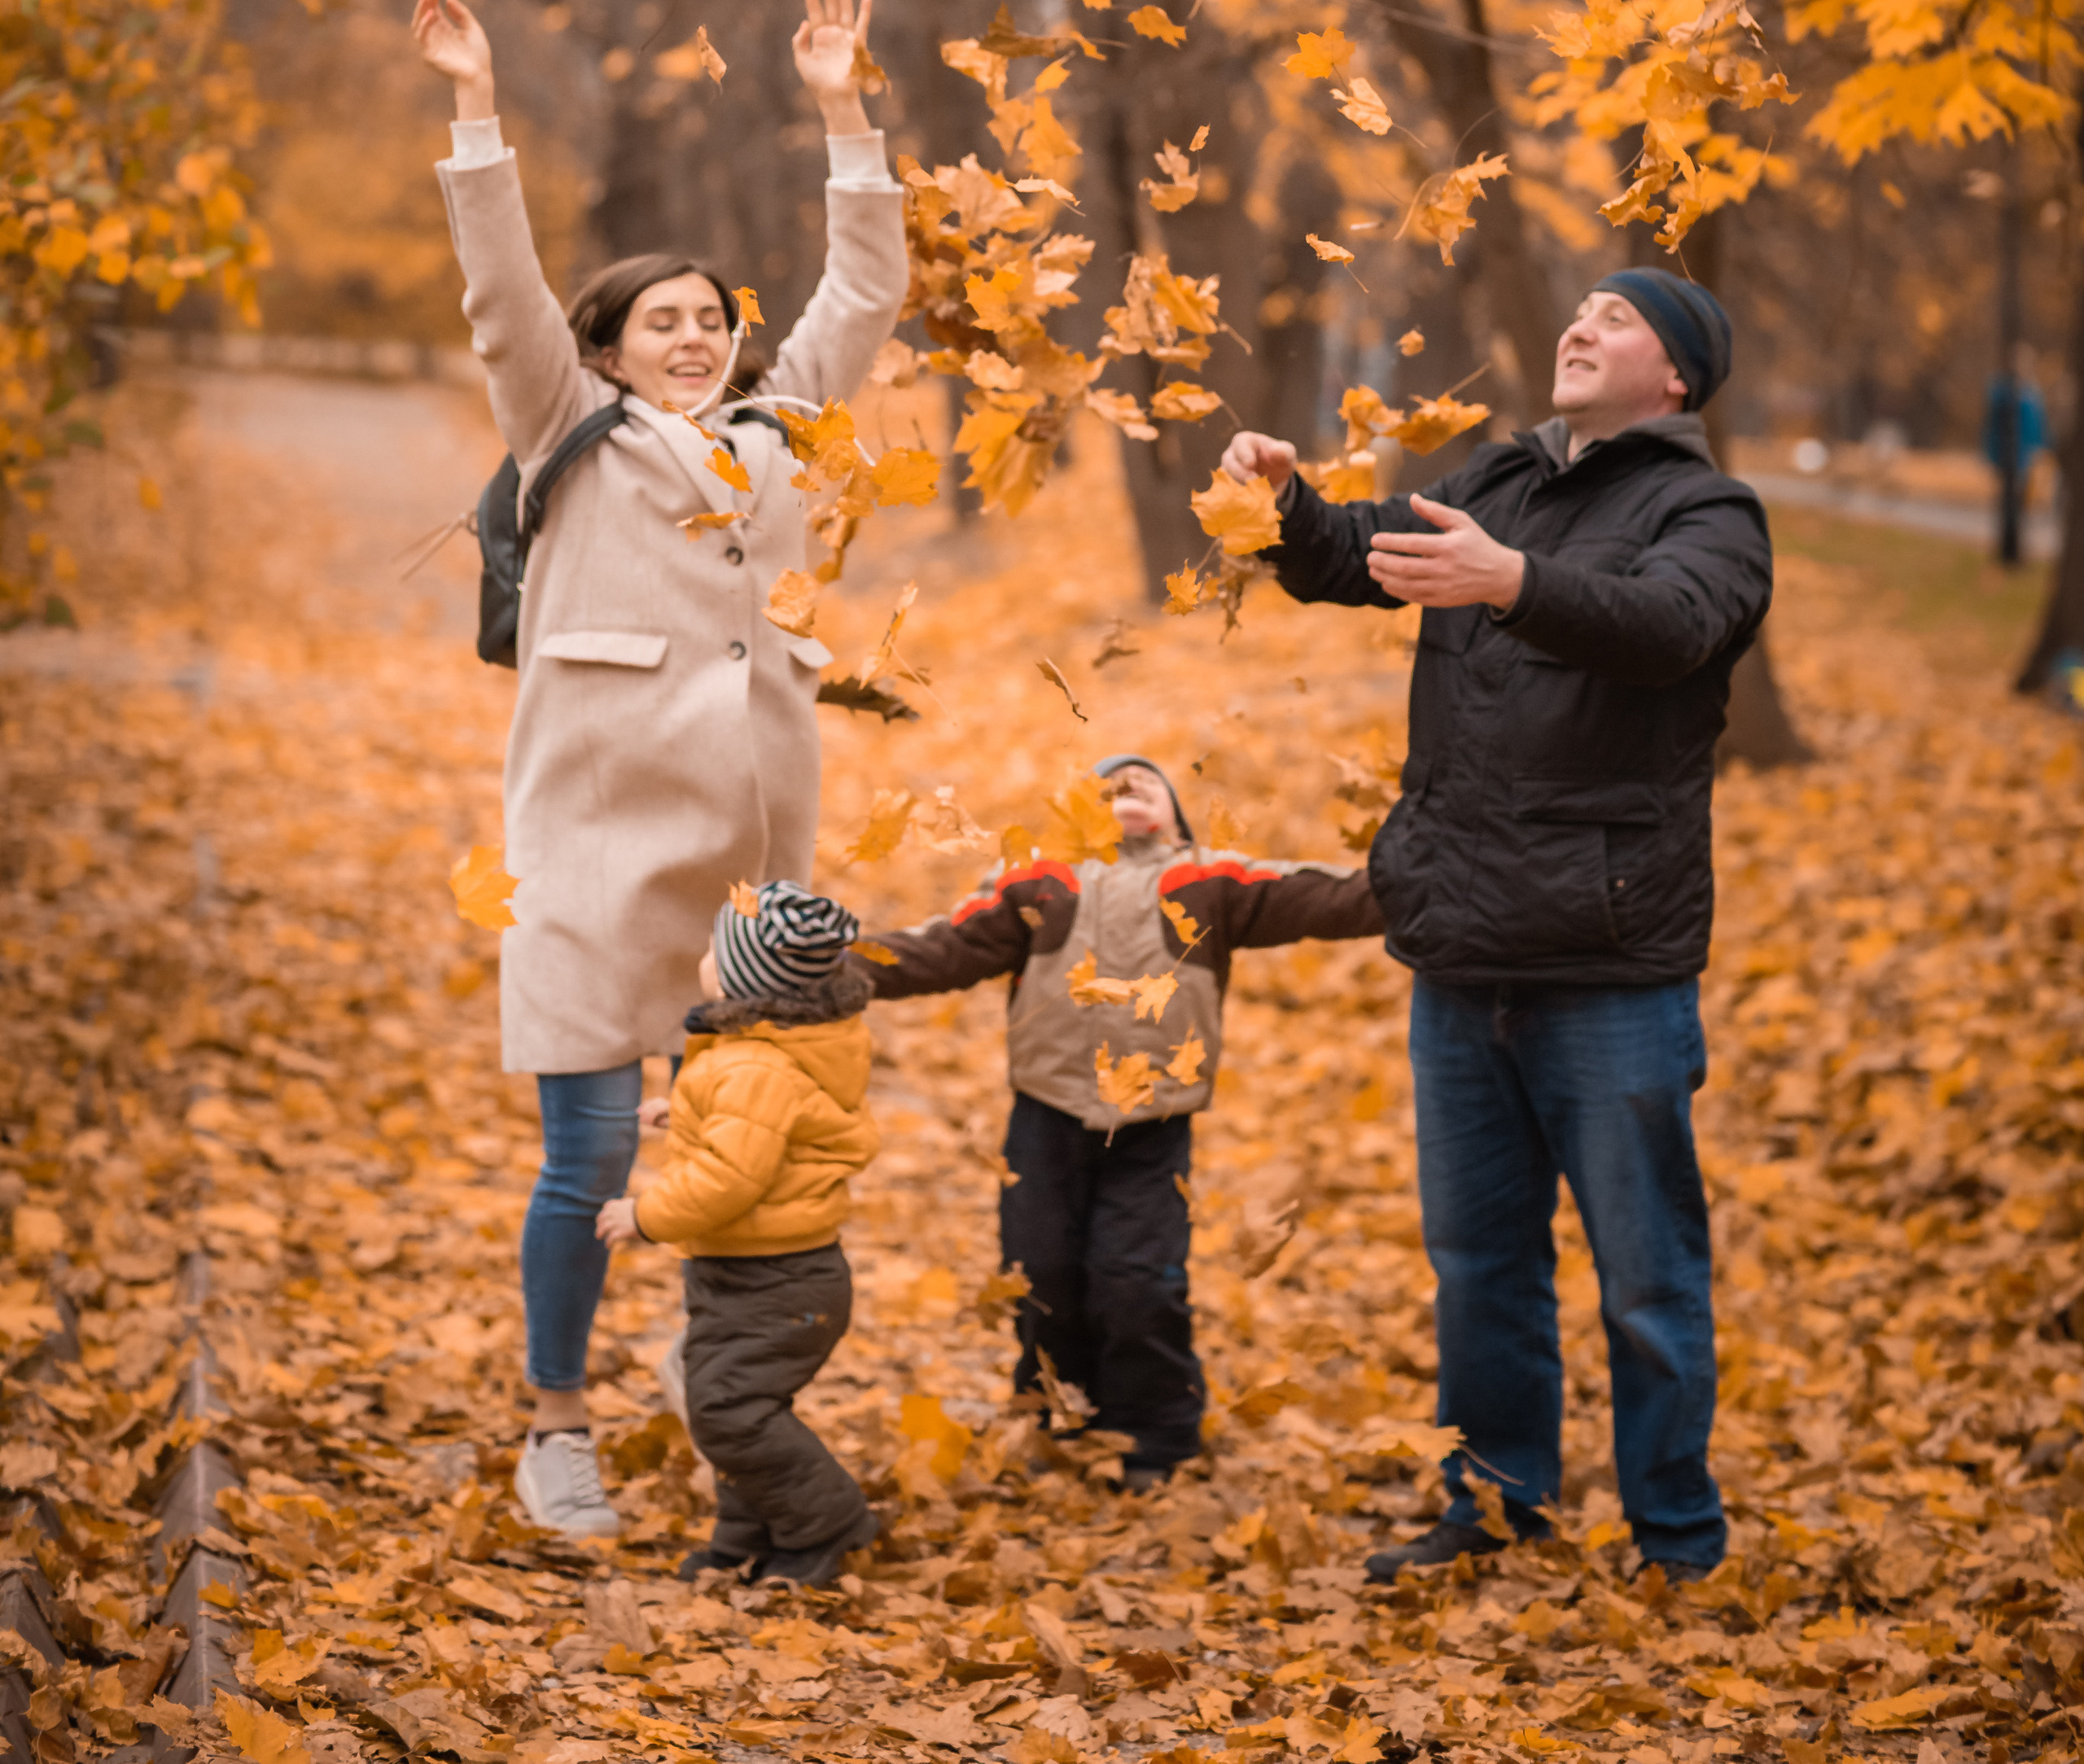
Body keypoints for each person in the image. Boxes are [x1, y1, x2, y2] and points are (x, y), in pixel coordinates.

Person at [411, 0, 908, 1543]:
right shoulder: (566, 428)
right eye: (662, 322)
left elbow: (866, 292)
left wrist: (842, 108)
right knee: (588, 1159)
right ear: (613, 350)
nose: (693, 338)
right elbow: (502, 292)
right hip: (588, 847)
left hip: (748, 879)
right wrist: (477, 106)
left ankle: (722, 1396)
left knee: (746, 1160)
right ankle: (556, 1422)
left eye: (711, 319)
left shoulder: (782, 431)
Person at [1222, 270, 1772, 1585]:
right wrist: (1285, 506)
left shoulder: (1709, 510)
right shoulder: (1504, 478)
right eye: (1580, 308)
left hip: (1608, 959)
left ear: (1678, 376)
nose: (1581, 325)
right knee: (1478, 1264)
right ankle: (1494, 1506)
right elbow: (1360, 555)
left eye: (1619, 317)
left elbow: (1673, 626)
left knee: (1646, 1279)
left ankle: (1676, 1540)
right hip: (1463, 946)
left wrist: (1514, 582)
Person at [860, 751, 1382, 1487]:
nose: (1130, 789)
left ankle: (1157, 1430)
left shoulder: (1207, 880)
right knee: (1039, 1271)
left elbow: (1327, 897)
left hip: (1152, 1127)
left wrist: (1420, 879)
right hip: (1045, 1117)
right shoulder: (1041, 879)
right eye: (1109, 788)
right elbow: (947, 946)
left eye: (1148, 783)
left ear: (1178, 815)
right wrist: (845, 967)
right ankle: (1057, 1410)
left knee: (1138, 1281)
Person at [597, 880, 879, 1587]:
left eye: (714, 949)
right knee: (725, 1405)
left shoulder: (756, 1064)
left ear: (740, 976)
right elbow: (758, 1129)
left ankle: (827, 1523)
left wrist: (645, 1215)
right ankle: (749, 1534)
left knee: (730, 1410)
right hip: (759, 1272)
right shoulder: (767, 1049)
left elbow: (731, 1177)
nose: (704, 958)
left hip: (775, 1280)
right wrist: (686, 1116)